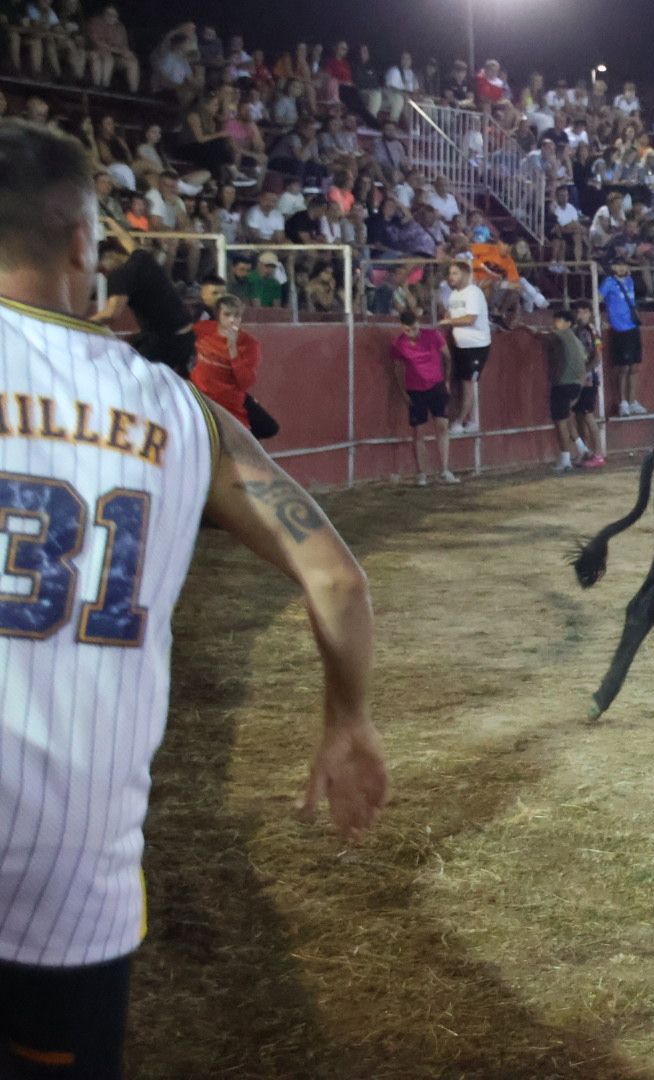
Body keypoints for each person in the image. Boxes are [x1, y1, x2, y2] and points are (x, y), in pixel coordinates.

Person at [0, 120, 386, 1079]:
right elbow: (336, 579)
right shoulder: (183, 415)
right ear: (86, 244)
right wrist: (347, 718)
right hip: (70, 884)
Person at [89, 222, 194, 377]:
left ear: (110, 256)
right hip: (187, 336)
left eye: (102, 268)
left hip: (166, 341)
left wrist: (79, 323)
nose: (103, 274)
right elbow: (127, 240)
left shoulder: (120, 275)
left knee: (124, 373)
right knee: (132, 343)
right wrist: (110, 222)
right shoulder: (141, 257)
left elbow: (111, 313)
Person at [192, 294, 279, 440]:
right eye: (227, 315)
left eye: (237, 315)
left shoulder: (250, 344)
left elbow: (245, 382)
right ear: (218, 315)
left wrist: (233, 350)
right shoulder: (203, 329)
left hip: (230, 404)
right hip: (201, 398)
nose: (232, 320)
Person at [390, 308, 458, 485]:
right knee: (419, 432)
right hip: (415, 389)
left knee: (442, 426)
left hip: (436, 386)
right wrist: (403, 391)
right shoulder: (399, 344)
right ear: (402, 328)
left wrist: (447, 381)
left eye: (413, 328)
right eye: (407, 330)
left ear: (418, 323)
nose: (411, 333)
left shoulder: (433, 335)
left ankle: (444, 470)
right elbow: (397, 369)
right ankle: (422, 473)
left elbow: (447, 358)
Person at [537, 308, 598, 472]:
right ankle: (583, 449)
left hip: (564, 383)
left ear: (567, 323)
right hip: (576, 384)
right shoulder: (575, 340)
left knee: (560, 422)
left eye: (559, 320)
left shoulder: (563, 334)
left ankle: (565, 459)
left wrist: (525, 329)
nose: (555, 323)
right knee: (567, 417)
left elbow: (543, 338)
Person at [438, 257, 491, 433]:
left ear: (465, 274)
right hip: (462, 345)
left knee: (467, 383)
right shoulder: (454, 295)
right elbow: (452, 314)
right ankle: (472, 420)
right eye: (450, 273)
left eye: (455, 273)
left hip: (476, 346)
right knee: (465, 383)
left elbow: (470, 318)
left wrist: (449, 321)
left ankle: (460, 421)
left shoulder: (473, 292)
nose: (451, 277)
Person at [598, 255, 645, 416]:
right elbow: (598, 299)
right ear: (613, 268)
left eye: (624, 265)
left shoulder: (631, 281)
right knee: (623, 367)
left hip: (633, 327)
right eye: (618, 266)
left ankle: (633, 401)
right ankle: (623, 402)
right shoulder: (609, 283)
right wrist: (601, 320)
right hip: (620, 329)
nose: (622, 268)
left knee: (634, 367)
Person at [568, 303, 605, 464]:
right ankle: (585, 451)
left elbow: (597, 358)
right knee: (579, 415)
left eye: (584, 311)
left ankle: (598, 453)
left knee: (587, 414)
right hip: (580, 378)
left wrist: (583, 374)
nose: (580, 314)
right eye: (578, 311)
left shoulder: (591, 331)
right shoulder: (578, 330)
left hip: (588, 379)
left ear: (590, 313)